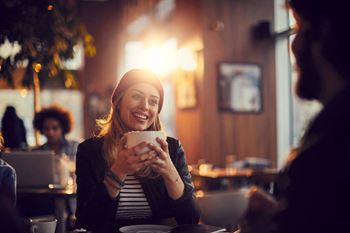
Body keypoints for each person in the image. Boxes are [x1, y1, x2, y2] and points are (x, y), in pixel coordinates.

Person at [238, 0, 350, 233]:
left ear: (324, 31)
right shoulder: (329, 130)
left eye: (298, 29)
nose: (293, 45)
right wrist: (283, 216)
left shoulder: (330, 146)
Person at [75, 69, 200, 233]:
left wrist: (169, 170)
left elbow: (190, 219)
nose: (145, 106)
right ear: (118, 102)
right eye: (137, 96)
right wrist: (119, 170)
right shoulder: (90, 151)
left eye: (153, 101)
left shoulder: (172, 149)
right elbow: (87, 221)